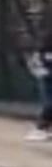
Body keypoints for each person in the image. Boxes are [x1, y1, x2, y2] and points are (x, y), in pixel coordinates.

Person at [26, 11, 52, 142]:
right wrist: (41, 70)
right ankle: (40, 128)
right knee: (49, 103)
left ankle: (43, 128)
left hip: (45, 70)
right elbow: (36, 60)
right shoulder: (45, 42)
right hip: (45, 73)